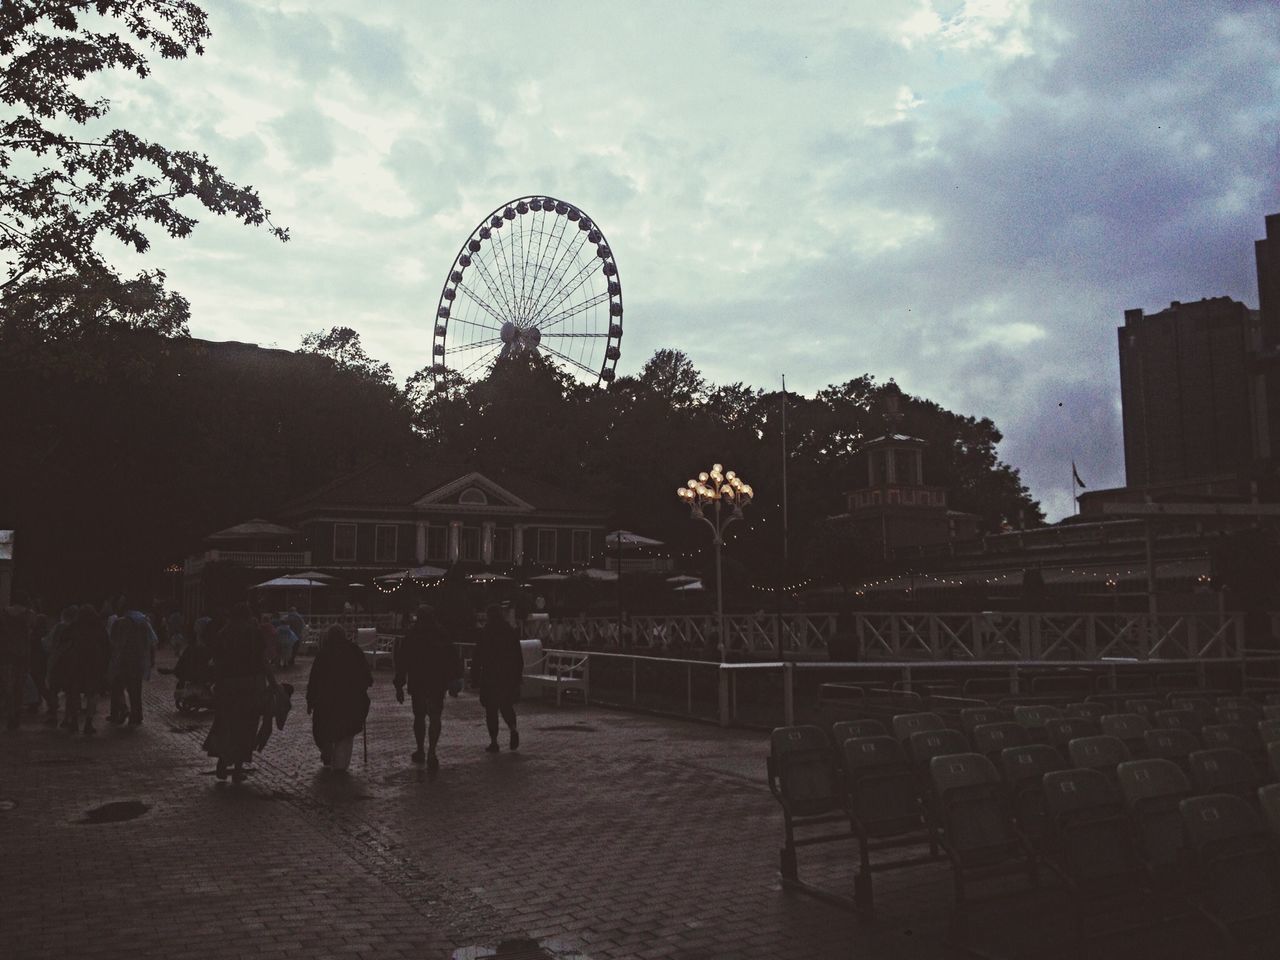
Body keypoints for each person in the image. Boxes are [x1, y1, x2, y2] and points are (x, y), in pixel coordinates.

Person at [204, 602, 269, 783]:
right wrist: (271, 682)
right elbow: (262, 660)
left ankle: (223, 762)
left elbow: (215, 661)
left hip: (227, 685)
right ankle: (238, 768)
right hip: (251, 684)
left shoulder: (222, 634)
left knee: (227, 724)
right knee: (246, 726)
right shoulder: (254, 633)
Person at [393, 604, 462, 771]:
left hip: (418, 681)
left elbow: (403, 661)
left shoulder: (412, 635)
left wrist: (399, 684)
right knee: (435, 716)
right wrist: (454, 678)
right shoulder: (441, 634)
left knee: (419, 716)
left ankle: (421, 749)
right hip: (437, 681)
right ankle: (432, 750)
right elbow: (453, 657)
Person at [306, 625, 372, 771]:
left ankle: (327, 751)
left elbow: (314, 679)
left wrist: (310, 700)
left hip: (326, 700)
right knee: (345, 733)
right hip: (350, 700)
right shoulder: (354, 651)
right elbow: (366, 675)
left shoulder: (323, 653)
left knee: (325, 728)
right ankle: (340, 765)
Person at [472, 604, 523, 753]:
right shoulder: (509, 631)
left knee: (491, 709)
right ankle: (513, 729)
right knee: (506, 705)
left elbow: (478, 656)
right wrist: (517, 675)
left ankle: (494, 741)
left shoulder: (486, 632)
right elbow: (517, 656)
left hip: (490, 675)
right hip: (507, 675)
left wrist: (475, 676)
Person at [107, 599, 157, 726]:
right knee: (135, 690)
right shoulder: (143, 622)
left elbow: (113, 643)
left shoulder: (119, 623)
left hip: (123, 660)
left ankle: (118, 712)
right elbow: (152, 641)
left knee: (116, 687)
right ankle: (137, 715)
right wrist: (152, 658)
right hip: (138, 660)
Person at [63, 605, 110, 735]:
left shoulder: (74, 626)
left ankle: (74, 722)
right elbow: (107, 646)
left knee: (74, 693)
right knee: (92, 694)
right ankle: (89, 723)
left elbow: (63, 640)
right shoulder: (99, 628)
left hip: (76, 663)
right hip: (94, 664)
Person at [0, 596, 35, 730]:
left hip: (6, 654)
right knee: (19, 686)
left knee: (8, 687)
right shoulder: (28, 615)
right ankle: (17, 714)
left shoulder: (3, 615)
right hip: (22, 655)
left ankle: (10, 715)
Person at [44, 605, 79, 728]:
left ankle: (53, 715)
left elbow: (51, 644)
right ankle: (68, 718)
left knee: (53, 689)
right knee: (70, 692)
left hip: (58, 663)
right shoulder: (77, 629)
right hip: (73, 664)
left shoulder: (59, 627)